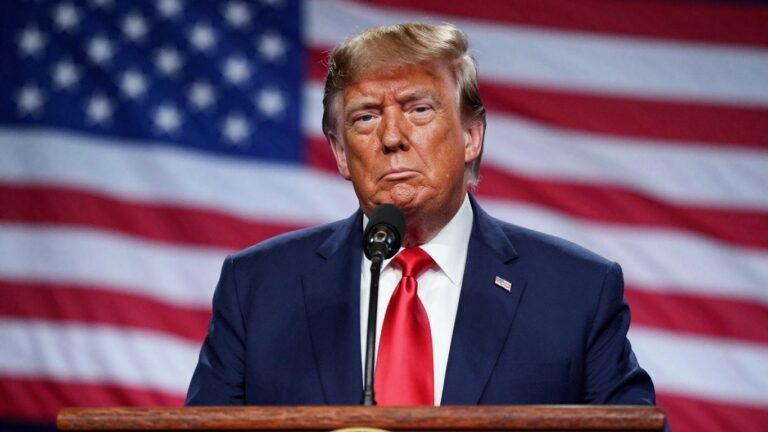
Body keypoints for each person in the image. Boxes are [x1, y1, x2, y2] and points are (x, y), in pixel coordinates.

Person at [186, 23, 657, 407]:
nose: (392, 136)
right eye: (365, 117)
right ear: (341, 153)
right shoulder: (258, 288)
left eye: (419, 108)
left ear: (472, 136)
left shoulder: (575, 292)